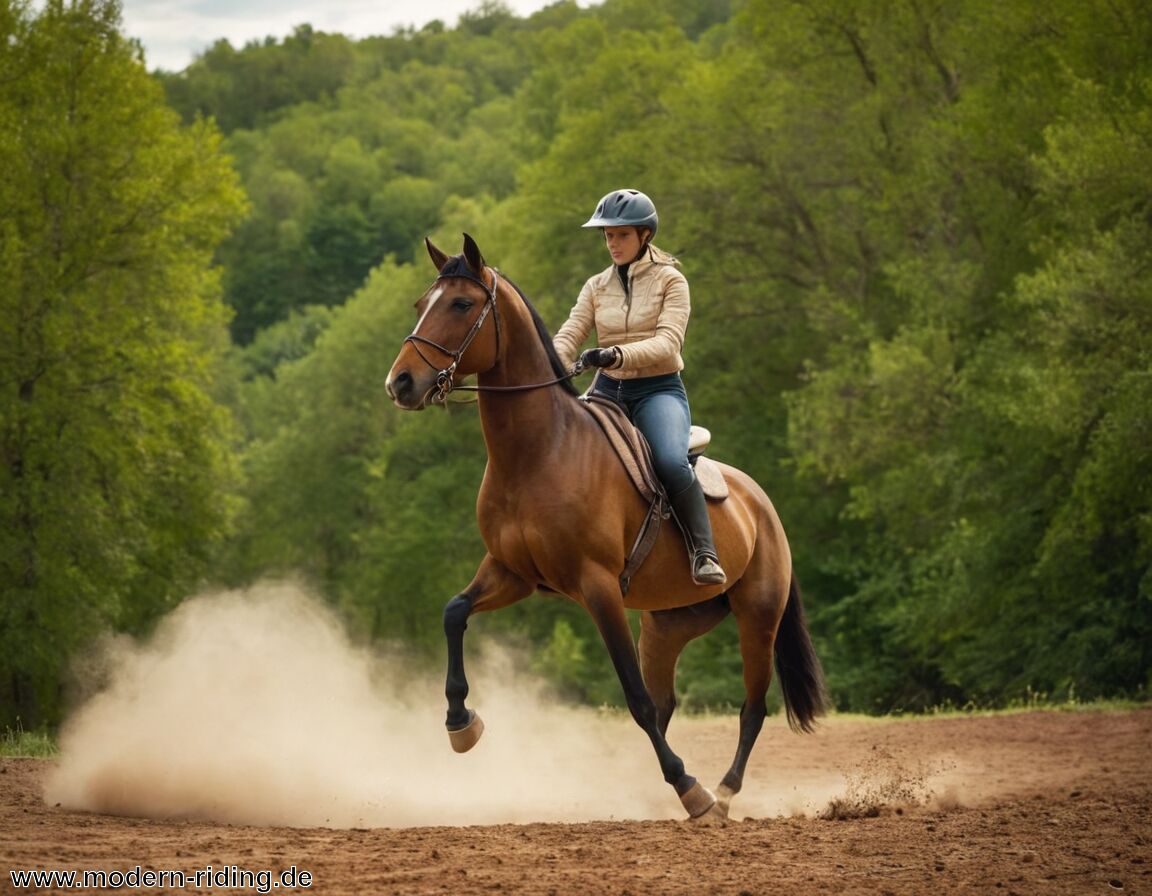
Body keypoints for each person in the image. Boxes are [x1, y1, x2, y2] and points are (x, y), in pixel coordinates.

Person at [554, 188, 726, 586]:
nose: (613, 244)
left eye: (622, 235)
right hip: (606, 391)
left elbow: (668, 343)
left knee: (668, 460)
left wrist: (615, 354)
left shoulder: (672, 281)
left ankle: (704, 551)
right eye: (608, 236)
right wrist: (552, 363)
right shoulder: (595, 286)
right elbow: (570, 333)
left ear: (645, 235)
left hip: (657, 391)